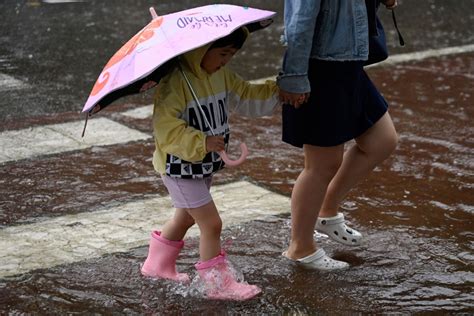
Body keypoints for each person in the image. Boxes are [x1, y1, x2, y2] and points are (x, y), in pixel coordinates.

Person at [141, 27, 279, 300]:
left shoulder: (220, 76)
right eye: (223, 53)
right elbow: (166, 129)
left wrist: (278, 90)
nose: (226, 60)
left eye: (232, 54)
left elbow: (246, 95)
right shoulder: (175, 83)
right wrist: (202, 142)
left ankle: (156, 265)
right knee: (211, 224)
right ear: (200, 50)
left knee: (185, 217)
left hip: (202, 165)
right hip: (179, 166)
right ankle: (218, 285)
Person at [277, 0, 399, 270]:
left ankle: (327, 209)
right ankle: (300, 247)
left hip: (348, 64)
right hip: (322, 67)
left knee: (381, 140)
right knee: (322, 164)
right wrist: (295, 76)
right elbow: (299, 24)